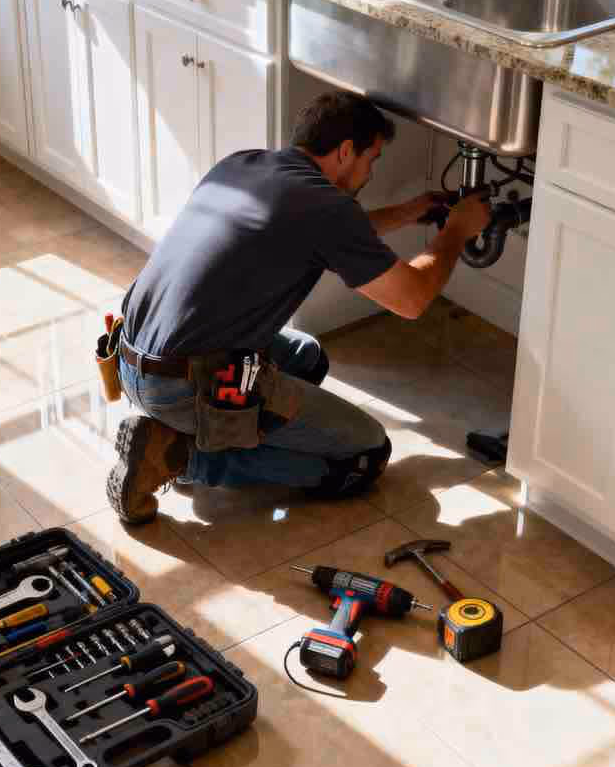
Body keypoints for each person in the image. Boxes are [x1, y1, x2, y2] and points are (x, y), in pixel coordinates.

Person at [106, 90, 491, 525]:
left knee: (305, 355)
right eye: (372, 159)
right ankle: (185, 457)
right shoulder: (326, 208)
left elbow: (327, 232)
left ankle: (192, 431)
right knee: (365, 455)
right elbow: (413, 297)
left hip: (133, 360)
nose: (369, 172)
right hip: (185, 385)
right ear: (346, 151)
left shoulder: (243, 164)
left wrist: (407, 212)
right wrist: (457, 231)